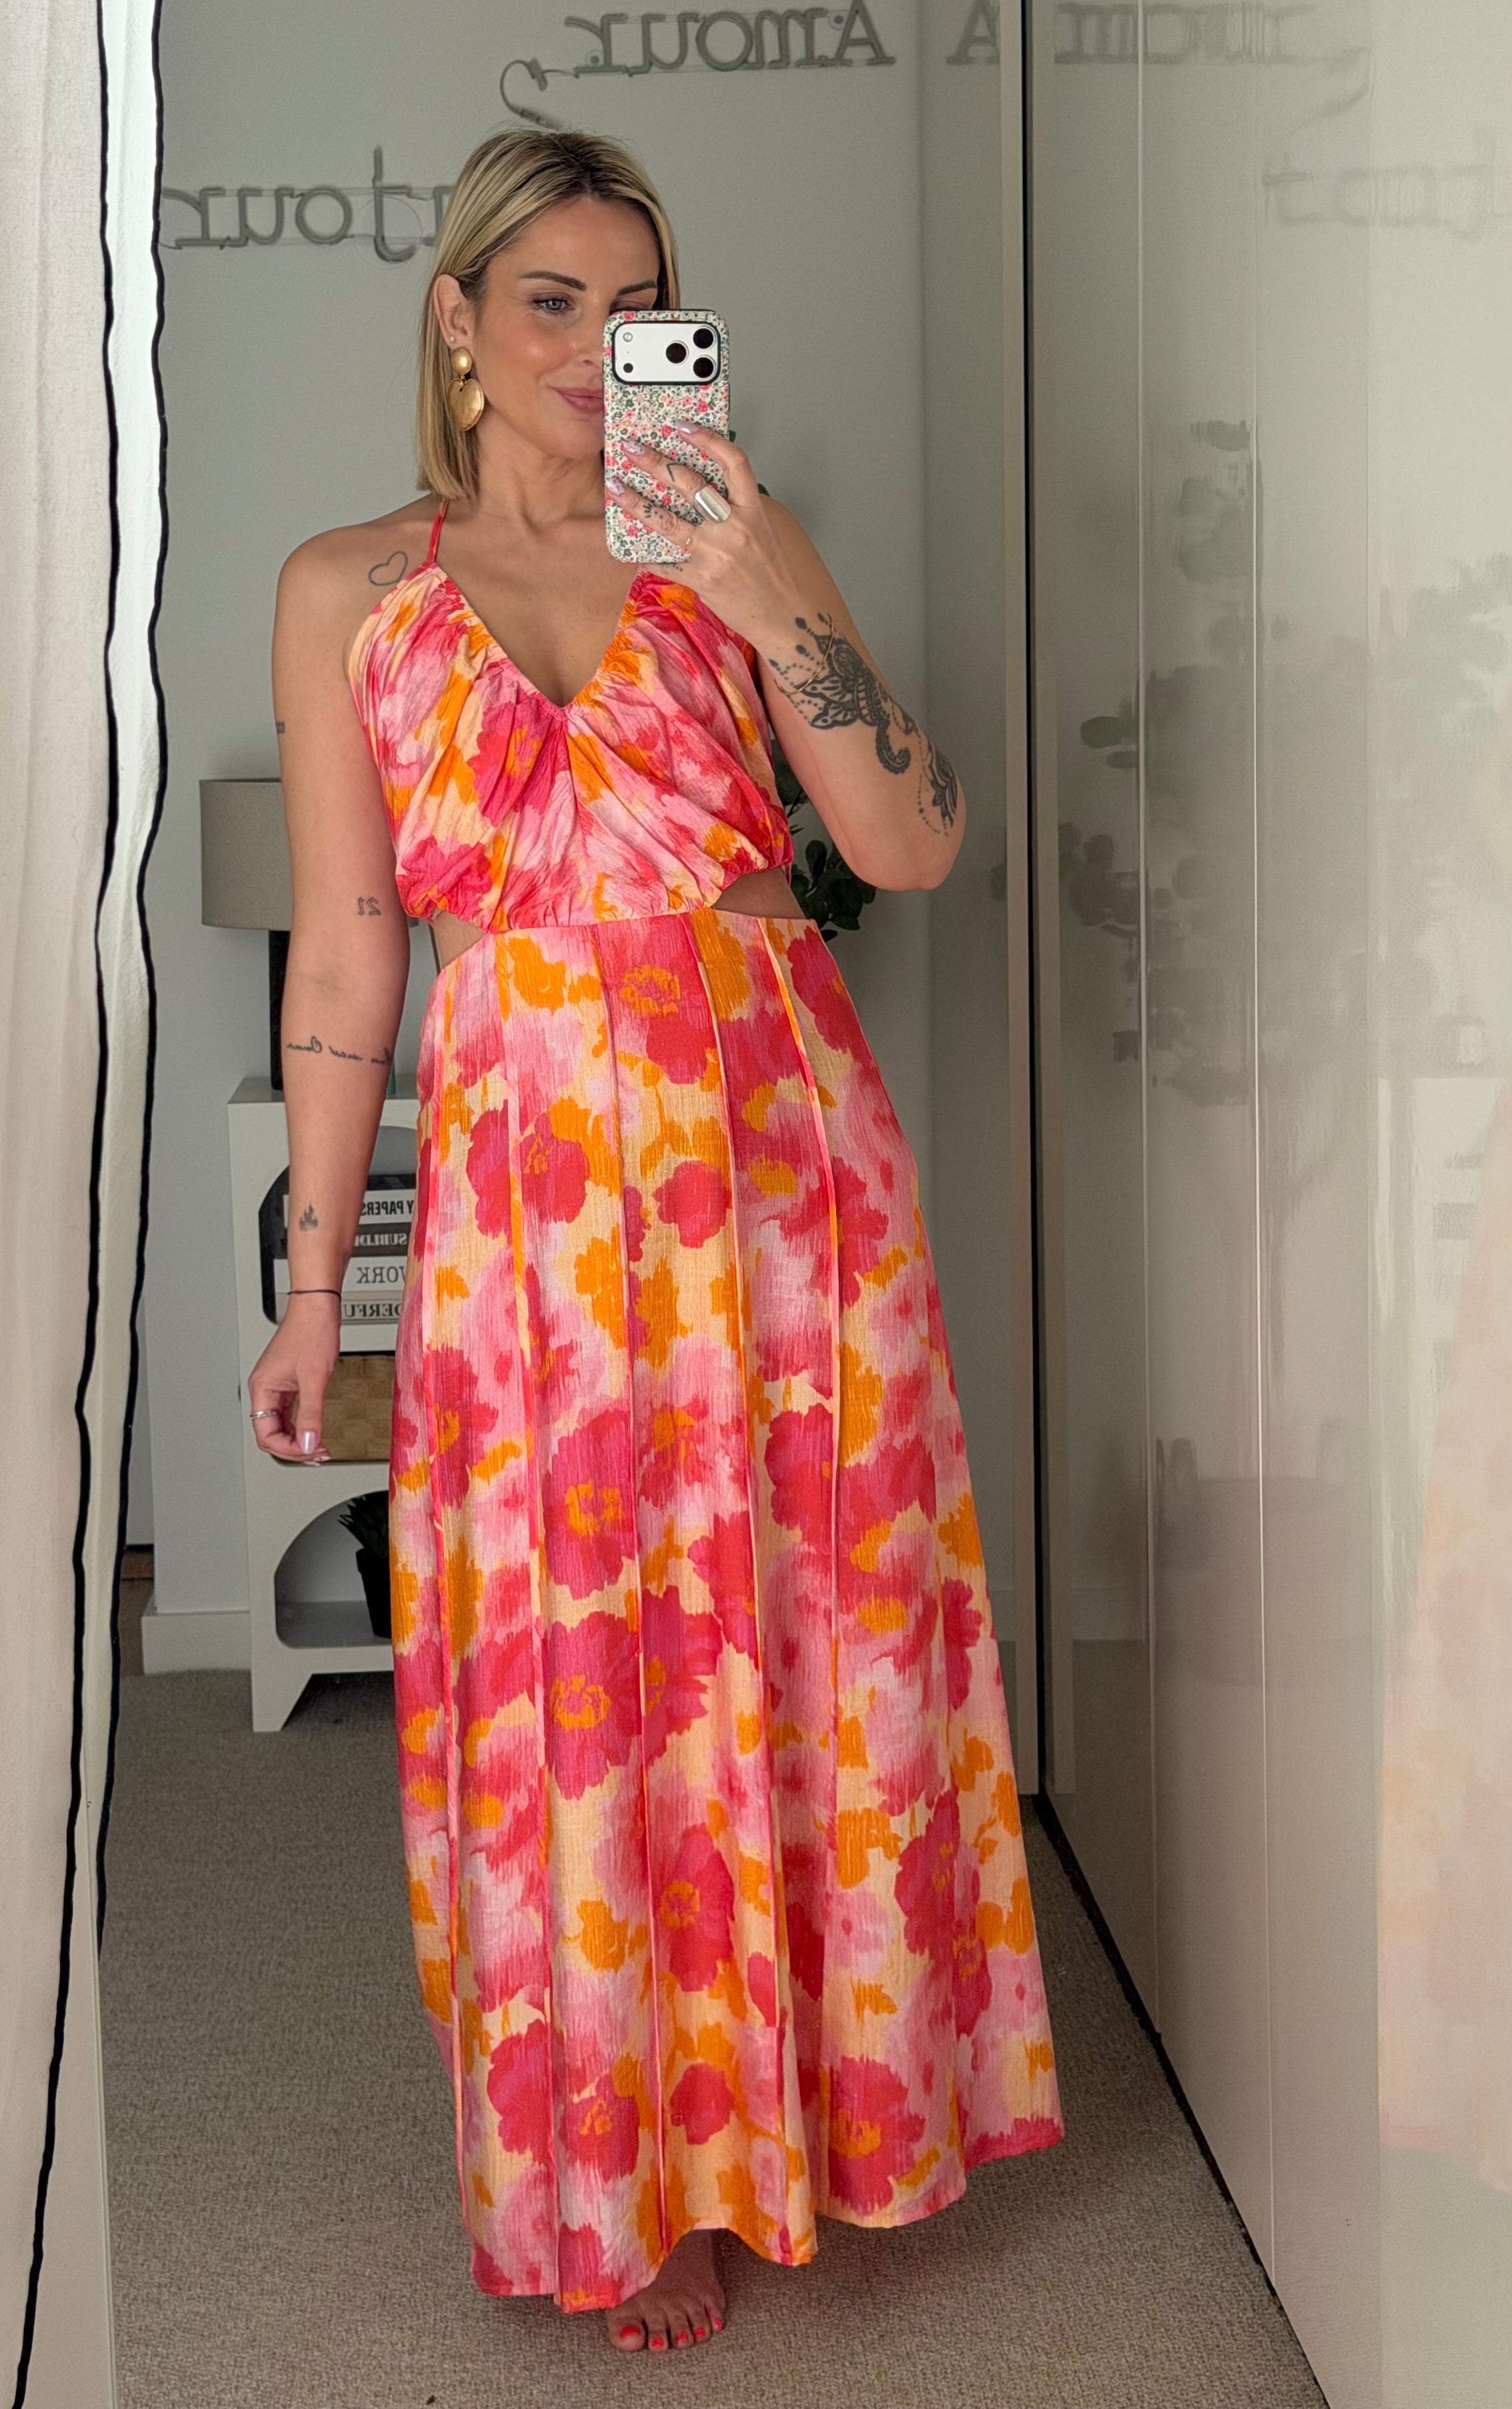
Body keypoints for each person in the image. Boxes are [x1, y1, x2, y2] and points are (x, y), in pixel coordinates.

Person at [249, 126, 1061, 2354]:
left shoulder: (730, 549)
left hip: (783, 1176)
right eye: (548, 304)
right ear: (456, 319)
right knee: (574, 1684)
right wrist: (316, 1292)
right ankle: (636, 2175)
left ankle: (826, 2115)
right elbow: (347, 958)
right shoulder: (347, 588)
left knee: (804, 1639)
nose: (592, 352)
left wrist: (769, 580)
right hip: (527, 1210)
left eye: (637, 313)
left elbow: (910, 842)